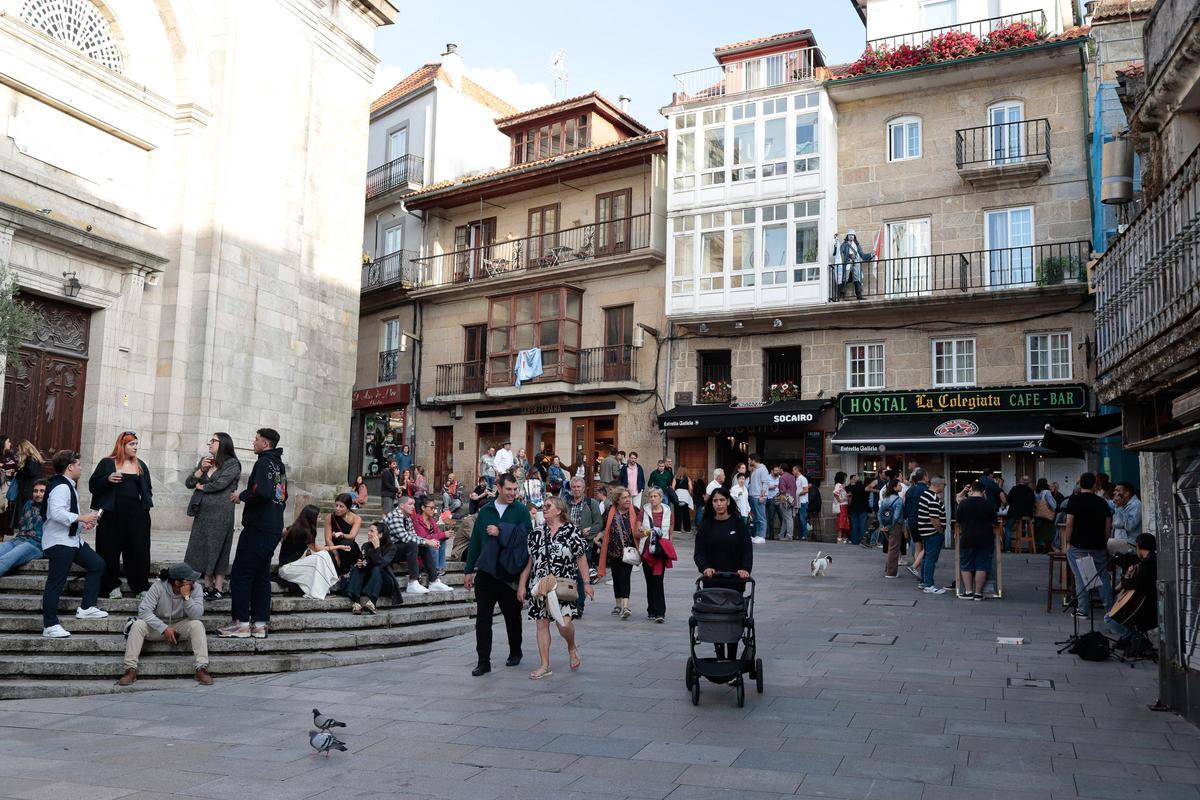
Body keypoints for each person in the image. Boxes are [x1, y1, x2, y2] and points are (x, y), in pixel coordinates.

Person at [220, 428, 288, 640]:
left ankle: (241, 624)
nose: (253, 442)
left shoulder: (263, 463)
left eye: (256, 439)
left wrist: (241, 495)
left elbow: (263, 492)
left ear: (265, 444)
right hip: (273, 527)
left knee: (241, 574)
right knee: (261, 577)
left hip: (258, 528)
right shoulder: (279, 465)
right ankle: (259, 625)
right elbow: (282, 496)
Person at [518, 496, 594, 679]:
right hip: (540, 586)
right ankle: (544, 665)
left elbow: (581, 558)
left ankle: (571, 646)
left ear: (559, 510)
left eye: (548, 506)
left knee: (564, 625)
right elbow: (529, 562)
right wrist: (522, 585)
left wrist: (586, 583)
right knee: (541, 625)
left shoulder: (571, 531)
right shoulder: (536, 533)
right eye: (543, 506)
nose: (544, 509)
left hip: (563, 586)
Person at [464, 472, 532, 676]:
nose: (512, 493)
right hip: (486, 571)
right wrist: (469, 570)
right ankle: (483, 661)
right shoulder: (486, 510)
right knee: (483, 617)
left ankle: (515, 651)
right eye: (508, 489)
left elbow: (528, 538)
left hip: (509, 572)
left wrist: (501, 530)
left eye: (515, 489)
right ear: (499, 488)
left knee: (512, 616)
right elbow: (476, 540)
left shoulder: (521, 510)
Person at [39, 450, 105, 638]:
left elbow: (67, 517)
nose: (81, 468)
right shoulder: (61, 486)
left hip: (71, 541)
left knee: (97, 564)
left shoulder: (67, 485)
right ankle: (50, 625)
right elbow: (56, 513)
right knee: (55, 583)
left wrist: (84, 524)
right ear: (70, 467)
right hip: (59, 543)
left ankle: (87, 607)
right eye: (78, 464)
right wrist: (82, 517)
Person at [119, 563, 211, 686]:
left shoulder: (196, 588)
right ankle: (130, 669)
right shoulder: (158, 587)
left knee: (197, 625)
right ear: (177, 582)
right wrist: (164, 628)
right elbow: (144, 611)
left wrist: (186, 598)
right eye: (190, 580)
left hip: (181, 624)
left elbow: (197, 615)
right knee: (138, 625)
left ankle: (201, 668)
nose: (194, 582)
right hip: (158, 625)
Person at [89, 431, 154, 601]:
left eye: (136, 444)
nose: (135, 447)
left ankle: (140, 586)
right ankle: (111, 586)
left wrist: (145, 502)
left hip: (137, 516)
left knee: (138, 550)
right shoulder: (107, 463)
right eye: (132, 444)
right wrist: (107, 479)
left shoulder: (140, 465)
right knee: (108, 550)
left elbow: (147, 489)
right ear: (122, 445)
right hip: (112, 515)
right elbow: (93, 485)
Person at [694, 486, 753, 659]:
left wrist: (745, 569)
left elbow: (747, 550)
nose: (718, 504)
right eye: (715, 501)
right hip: (713, 580)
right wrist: (705, 567)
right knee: (716, 619)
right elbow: (699, 552)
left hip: (734, 580)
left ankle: (732, 658)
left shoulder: (738, 524)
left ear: (728, 501)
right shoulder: (706, 525)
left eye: (721, 500)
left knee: (732, 619)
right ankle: (720, 657)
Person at [184, 432, 242, 601]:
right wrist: (201, 469)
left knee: (220, 547)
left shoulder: (232, 463)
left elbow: (221, 484)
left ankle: (218, 587)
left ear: (223, 443)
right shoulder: (206, 461)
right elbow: (189, 483)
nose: (209, 443)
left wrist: (202, 487)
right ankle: (207, 585)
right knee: (203, 546)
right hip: (202, 512)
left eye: (213, 441)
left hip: (221, 513)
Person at [1062, 472, 1114, 618]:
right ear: (1094, 485)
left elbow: (1069, 522)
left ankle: (1083, 609)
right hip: (1098, 545)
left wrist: (1068, 541)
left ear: (1080, 484)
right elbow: (1108, 524)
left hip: (1078, 545)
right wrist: (1104, 540)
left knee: (1080, 576)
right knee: (1103, 576)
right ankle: (1110, 609)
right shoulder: (1102, 502)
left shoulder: (1074, 500)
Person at [379, 496, 450, 594]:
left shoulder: (407, 517)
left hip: (396, 549)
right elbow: (405, 537)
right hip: (385, 552)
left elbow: (414, 536)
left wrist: (426, 542)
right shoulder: (395, 516)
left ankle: (434, 581)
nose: (413, 506)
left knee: (422, 545)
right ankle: (413, 582)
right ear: (402, 505)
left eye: (413, 504)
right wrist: (427, 541)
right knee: (413, 545)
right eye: (410, 504)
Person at [1106, 533, 1157, 648]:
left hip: (1145, 608)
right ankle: (1129, 639)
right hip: (1148, 604)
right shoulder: (1152, 561)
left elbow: (1135, 584)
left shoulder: (1146, 564)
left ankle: (1133, 636)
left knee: (1109, 618)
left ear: (1138, 546)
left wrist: (1124, 580)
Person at [598, 487, 639, 619]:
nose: (627, 500)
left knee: (625, 577)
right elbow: (602, 526)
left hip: (628, 552)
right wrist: (598, 535)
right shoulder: (610, 511)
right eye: (624, 498)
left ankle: (626, 607)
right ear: (617, 500)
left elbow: (640, 526)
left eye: (628, 497)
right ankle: (618, 604)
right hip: (613, 552)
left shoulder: (635, 511)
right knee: (616, 578)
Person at [567, 476, 604, 609]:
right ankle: (568, 602)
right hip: (567, 543)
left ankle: (579, 605)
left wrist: (589, 532)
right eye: (574, 487)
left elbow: (599, 523)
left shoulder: (591, 503)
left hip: (584, 543)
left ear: (583, 489)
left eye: (579, 487)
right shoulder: (566, 503)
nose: (576, 489)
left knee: (581, 575)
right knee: (568, 574)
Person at [346, 524, 399, 615]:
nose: (368, 533)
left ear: (380, 534)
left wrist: (377, 548)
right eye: (368, 531)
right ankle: (356, 602)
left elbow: (381, 564)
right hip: (369, 582)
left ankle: (372, 603)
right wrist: (361, 563)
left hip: (385, 584)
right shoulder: (365, 546)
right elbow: (364, 562)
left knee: (376, 568)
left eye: (372, 531)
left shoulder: (391, 548)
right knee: (357, 568)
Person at [956, 481, 997, 600]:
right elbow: (994, 522)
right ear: (984, 492)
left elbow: (958, 520)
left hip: (967, 537)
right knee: (982, 565)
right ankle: (978, 593)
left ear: (972, 490)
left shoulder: (964, 504)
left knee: (966, 564)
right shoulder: (989, 504)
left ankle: (968, 591)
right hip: (986, 538)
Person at [640, 487, 674, 622]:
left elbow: (670, 530)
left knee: (658, 580)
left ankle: (660, 612)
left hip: (660, 551)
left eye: (655, 496)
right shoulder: (644, 511)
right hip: (647, 550)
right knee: (649, 581)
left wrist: (669, 545)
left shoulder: (668, 512)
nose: (653, 499)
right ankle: (651, 609)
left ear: (661, 498)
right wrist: (645, 532)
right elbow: (637, 530)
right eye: (651, 496)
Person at [0, 479, 46, 576]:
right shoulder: (28, 504)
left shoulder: (52, 507)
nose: (38, 494)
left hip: (35, 545)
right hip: (18, 540)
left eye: (42, 491)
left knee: (4, 560)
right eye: (35, 491)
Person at [917, 476, 947, 594]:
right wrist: (940, 531)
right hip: (932, 532)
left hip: (926, 532)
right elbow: (934, 518)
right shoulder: (933, 497)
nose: (944, 487)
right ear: (938, 485)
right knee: (931, 559)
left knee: (926, 558)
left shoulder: (925, 494)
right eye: (944, 485)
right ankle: (929, 584)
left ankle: (924, 581)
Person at [326, 493, 363, 576]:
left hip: (348, 546)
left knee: (346, 545)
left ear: (348, 508)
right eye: (336, 505)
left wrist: (341, 534)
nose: (337, 509)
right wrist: (335, 553)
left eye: (341, 506)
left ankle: (346, 574)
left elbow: (351, 536)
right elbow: (328, 539)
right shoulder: (330, 517)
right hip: (333, 546)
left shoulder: (356, 518)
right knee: (330, 556)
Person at [414, 496, 450, 575]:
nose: (433, 510)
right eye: (431, 508)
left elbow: (438, 533)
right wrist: (443, 534)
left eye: (434, 508)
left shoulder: (431, 520)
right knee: (434, 543)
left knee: (442, 542)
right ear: (423, 508)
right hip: (422, 547)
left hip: (431, 546)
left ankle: (440, 568)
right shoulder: (417, 520)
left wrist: (446, 535)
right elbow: (424, 537)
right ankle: (433, 569)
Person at [903, 469, 929, 578]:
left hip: (911, 520)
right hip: (923, 520)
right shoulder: (926, 490)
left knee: (918, 544)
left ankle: (917, 570)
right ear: (924, 477)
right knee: (928, 545)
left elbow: (905, 506)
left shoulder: (910, 490)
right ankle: (917, 567)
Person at [1108, 482, 1143, 556]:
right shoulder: (1122, 503)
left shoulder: (1136, 505)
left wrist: (1120, 507)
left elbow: (1129, 526)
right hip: (1119, 540)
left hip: (1131, 544)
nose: (1114, 493)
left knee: (1104, 544)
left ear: (1127, 494)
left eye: (1117, 490)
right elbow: (1106, 503)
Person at [837, 229, 873, 299]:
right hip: (848, 262)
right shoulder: (845, 244)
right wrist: (836, 244)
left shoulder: (857, 245)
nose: (851, 236)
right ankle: (842, 295)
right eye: (850, 235)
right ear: (847, 236)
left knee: (857, 278)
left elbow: (862, 255)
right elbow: (839, 252)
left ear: (854, 236)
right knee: (845, 277)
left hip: (856, 262)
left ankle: (859, 295)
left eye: (852, 235)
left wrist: (871, 255)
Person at [879, 479, 904, 578]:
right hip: (895, 526)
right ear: (894, 487)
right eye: (899, 485)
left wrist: (883, 525)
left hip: (885, 525)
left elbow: (880, 514)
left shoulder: (885, 499)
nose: (901, 487)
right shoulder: (899, 500)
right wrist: (890, 526)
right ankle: (891, 572)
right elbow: (896, 516)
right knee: (894, 549)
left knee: (891, 548)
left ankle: (888, 569)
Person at [1004, 475, 1036, 552]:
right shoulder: (1030, 490)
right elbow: (1033, 503)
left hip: (1014, 512)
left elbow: (1008, 499)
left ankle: (1007, 548)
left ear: (1020, 481)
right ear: (1028, 482)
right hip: (1027, 514)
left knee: (1008, 528)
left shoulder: (1015, 488)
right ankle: (1030, 546)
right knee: (1022, 524)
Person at [747, 454, 770, 542]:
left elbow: (765, 483)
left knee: (761, 517)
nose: (748, 462)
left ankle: (762, 536)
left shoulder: (763, 469)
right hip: (752, 496)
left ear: (753, 460)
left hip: (758, 496)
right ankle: (757, 535)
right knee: (755, 518)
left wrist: (762, 496)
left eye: (749, 460)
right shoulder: (754, 470)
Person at [1033, 477, 1058, 551]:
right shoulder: (1046, 492)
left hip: (1038, 515)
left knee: (1039, 532)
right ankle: (1047, 547)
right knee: (1048, 532)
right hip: (1046, 516)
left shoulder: (1035, 492)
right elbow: (1053, 505)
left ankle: (1040, 546)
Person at [847, 474, 870, 547]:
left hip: (854, 508)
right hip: (863, 508)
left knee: (854, 525)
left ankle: (854, 541)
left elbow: (848, 493)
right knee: (863, 526)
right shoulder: (864, 487)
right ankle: (862, 541)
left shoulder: (851, 487)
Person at [776, 464, 796, 541]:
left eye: (779, 468)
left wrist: (781, 500)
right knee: (786, 518)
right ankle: (781, 535)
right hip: (792, 499)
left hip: (785, 499)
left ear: (782, 469)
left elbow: (782, 490)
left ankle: (789, 535)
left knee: (788, 518)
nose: (778, 470)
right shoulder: (792, 477)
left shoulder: (782, 478)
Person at [673, 466, 693, 533]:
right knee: (686, 514)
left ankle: (677, 529)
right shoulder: (687, 478)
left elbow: (673, 487)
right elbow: (691, 488)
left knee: (677, 513)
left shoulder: (675, 477)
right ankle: (687, 529)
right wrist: (689, 494)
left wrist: (675, 495)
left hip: (677, 496)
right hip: (685, 496)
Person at [793, 466, 811, 541]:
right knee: (798, 519)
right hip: (798, 502)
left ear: (797, 470)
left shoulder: (803, 479)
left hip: (803, 501)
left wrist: (797, 494)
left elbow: (806, 490)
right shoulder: (796, 479)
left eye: (793, 470)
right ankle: (800, 535)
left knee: (802, 518)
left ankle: (804, 535)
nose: (792, 472)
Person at [832, 471, 849, 544]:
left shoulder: (840, 485)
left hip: (844, 505)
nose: (845, 479)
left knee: (844, 521)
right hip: (842, 505)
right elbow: (835, 493)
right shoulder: (838, 485)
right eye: (844, 477)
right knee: (841, 521)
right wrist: (839, 500)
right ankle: (840, 538)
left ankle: (843, 538)